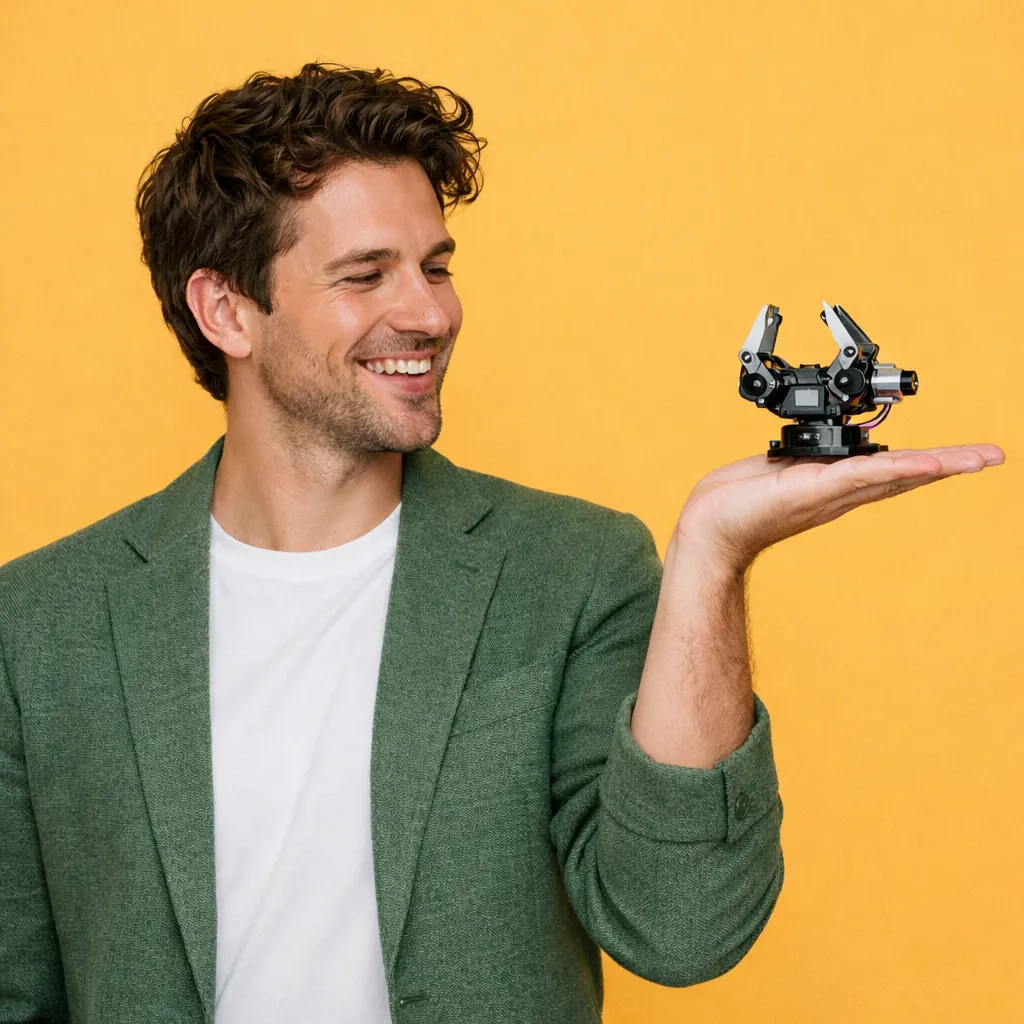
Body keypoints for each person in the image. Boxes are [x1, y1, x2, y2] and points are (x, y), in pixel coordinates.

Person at [0, 63, 1003, 1024]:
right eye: (366, 274)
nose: (428, 312)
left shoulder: (573, 574)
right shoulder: (37, 626)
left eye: (435, 267)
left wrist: (712, 557)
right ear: (227, 310)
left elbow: (682, 927)